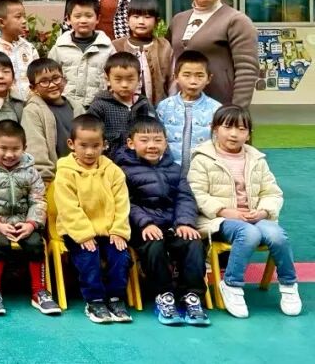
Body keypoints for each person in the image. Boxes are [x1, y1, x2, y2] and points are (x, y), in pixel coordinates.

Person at [188, 105, 300, 318]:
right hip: (218, 220)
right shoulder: (202, 158)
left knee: (277, 235)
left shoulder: (256, 159)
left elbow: (272, 192)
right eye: (227, 127)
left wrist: (263, 212)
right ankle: (232, 284)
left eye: (241, 129)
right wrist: (225, 211)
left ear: (248, 134)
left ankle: (288, 285)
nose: (234, 134)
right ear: (215, 129)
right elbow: (197, 194)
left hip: (254, 217)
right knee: (249, 233)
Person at [115, 118, 209, 326]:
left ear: (166, 143)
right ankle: (163, 296)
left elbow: (185, 197)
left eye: (158, 140)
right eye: (144, 140)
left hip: (172, 225)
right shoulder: (122, 170)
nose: (152, 145)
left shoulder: (174, 169)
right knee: (154, 246)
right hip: (142, 228)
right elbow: (125, 202)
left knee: (193, 243)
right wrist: (145, 223)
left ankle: (192, 296)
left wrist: (184, 222)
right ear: (131, 143)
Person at [53, 114, 133, 324]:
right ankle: (94, 300)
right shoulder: (65, 172)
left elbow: (122, 204)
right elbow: (68, 207)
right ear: (71, 144)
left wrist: (118, 230)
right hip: (77, 230)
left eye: (96, 146)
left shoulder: (113, 171)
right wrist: (84, 234)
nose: (89, 152)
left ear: (104, 145)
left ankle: (116, 298)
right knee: (89, 256)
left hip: (109, 229)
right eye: (83, 145)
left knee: (120, 255)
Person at [0, 120, 57, 316]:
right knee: (0, 244)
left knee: (36, 243)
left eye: (15, 149)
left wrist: (31, 224)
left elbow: (38, 200)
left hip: (22, 222)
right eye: (3, 148)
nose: (9, 154)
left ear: (24, 148)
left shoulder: (30, 171)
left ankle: (39, 291)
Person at [168, 0, 259, 106]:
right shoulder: (178, 20)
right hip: (180, 106)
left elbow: (247, 70)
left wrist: (236, 109)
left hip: (221, 106)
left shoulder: (236, 21)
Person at [156, 50, 221, 174]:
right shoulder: (164, 107)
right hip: (169, 172)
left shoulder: (216, 109)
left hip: (203, 173)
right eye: (186, 75)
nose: (193, 81)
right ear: (176, 77)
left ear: (209, 78)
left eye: (200, 76)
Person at [48, 0, 115, 112]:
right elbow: (50, 76)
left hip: (99, 107)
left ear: (97, 19)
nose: (83, 20)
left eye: (89, 16)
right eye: (77, 16)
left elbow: (114, 77)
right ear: (68, 19)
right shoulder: (59, 48)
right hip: (66, 106)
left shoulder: (107, 48)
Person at [22, 58, 84, 184]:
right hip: (54, 179)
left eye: (56, 78)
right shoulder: (32, 111)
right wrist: (45, 179)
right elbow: (36, 151)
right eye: (44, 81)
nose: (52, 85)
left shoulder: (76, 107)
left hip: (83, 174)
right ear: (33, 88)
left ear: (64, 79)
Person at [86, 51, 155, 160]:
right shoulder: (99, 106)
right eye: (118, 79)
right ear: (107, 79)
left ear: (139, 79)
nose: (124, 85)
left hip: (140, 162)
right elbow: (88, 136)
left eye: (130, 79)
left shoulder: (144, 104)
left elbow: (156, 132)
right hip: (109, 162)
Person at [112, 0, 173, 108]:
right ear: (127, 19)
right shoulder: (116, 46)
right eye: (136, 17)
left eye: (147, 17)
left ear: (157, 21)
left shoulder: (164, 46)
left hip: (159, 107)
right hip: (123, 107)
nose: (141, 22)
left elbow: (172, 80)